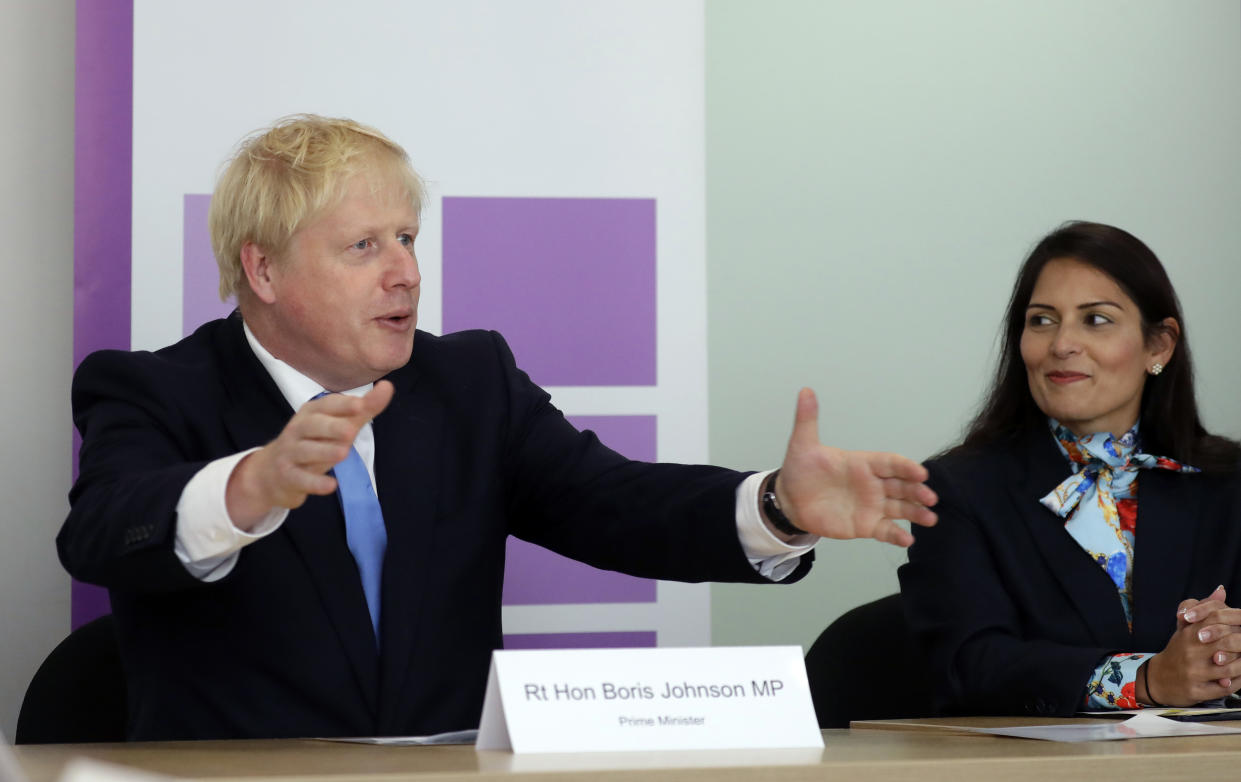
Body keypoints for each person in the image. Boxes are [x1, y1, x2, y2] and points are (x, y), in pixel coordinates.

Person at [58, 114, 937, 740]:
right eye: (364, 246)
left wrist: (777, 506)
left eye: (407, 237)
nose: (405, 272)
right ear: (264, 269)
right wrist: (248, 487)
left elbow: (612, 501)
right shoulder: (151, 389)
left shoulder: (465, 381)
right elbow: (101, 533)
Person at [899, 221, 1241, 717]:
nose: (1062, 344)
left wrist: (1226, 648)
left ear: (1158, 346)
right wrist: (1144, 680)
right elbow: (967, 664)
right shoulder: (957, 490)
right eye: (1042, 320)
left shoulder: (1228, 483)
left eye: (1096, 320)